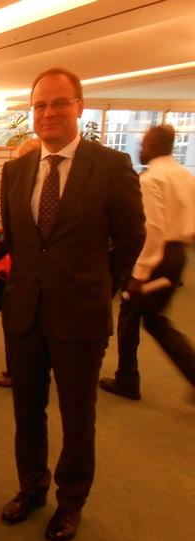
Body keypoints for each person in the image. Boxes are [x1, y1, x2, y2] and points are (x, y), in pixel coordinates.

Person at [0, 67, 145, 541]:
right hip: (25, 312)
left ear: (79, 106)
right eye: (40, 105)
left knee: (77, 416)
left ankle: (70, 500)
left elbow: (130, 237)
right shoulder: (17, 169)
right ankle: (32, 487)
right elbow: (21, 243)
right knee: (27, 410)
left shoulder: (110, 165)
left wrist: (102, 288)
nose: (48, 114)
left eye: (59, 103)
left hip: (80, 313)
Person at [99, 125, 195, 400]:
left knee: (130, 317)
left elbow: (152, 230)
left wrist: (139, 274)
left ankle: (127, 381)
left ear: (154, 145)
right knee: (154, 319)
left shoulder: (152, 180)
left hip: (158, 257)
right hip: (178, 255)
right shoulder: (185, 176)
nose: (140, 149)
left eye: (143, 144)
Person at [0, 137, 42, 389]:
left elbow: (16, 236)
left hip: (21, 273)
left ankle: (19, 371)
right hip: (22, 271)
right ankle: (20, 369)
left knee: (17, 323)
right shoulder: (20, 184)